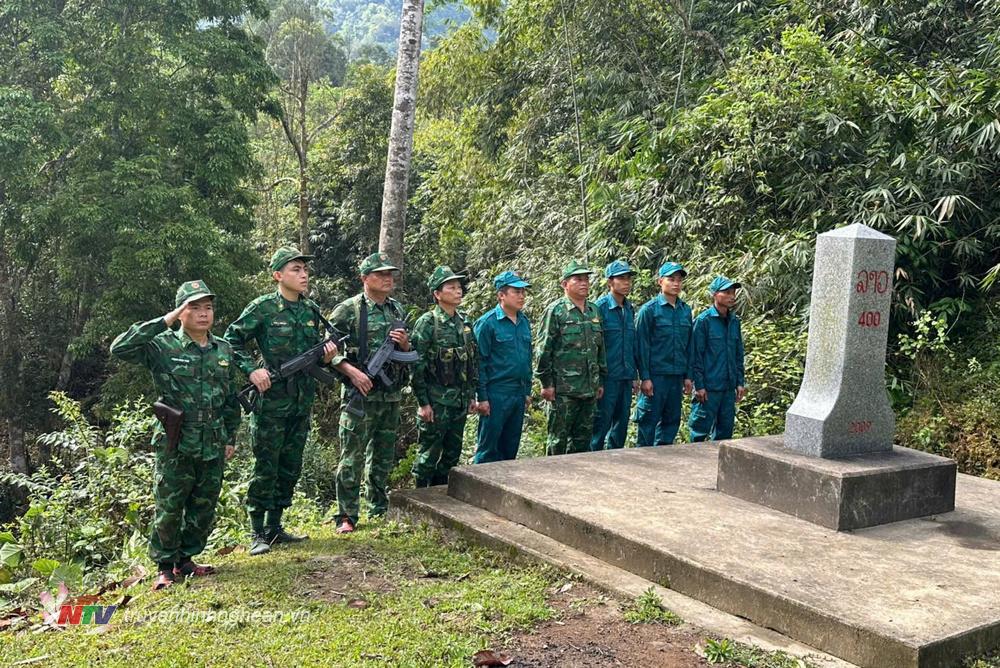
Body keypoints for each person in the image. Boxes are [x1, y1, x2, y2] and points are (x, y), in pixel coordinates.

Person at [110, 280, 240, 590]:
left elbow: (230, 397)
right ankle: (165, 566)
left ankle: (186, 559)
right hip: (176, 438)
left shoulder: (223, 349)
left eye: (208, 307)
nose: (203, 313)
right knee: (170, 505)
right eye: (194, 307)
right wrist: (165, 320)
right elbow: (120, 347)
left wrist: (230, 437)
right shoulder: (162, 346)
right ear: (181, 312)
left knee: (204, 504)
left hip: (213, 437)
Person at [224, 247, 338, 556]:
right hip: (271, 402)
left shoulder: (311, 310)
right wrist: (252, 370)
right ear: (278, 275)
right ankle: (257, 531)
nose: (304, 275)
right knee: (266, 466)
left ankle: (275, 527)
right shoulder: (263, 308)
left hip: (301, 401)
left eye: (305, 269)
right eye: (295, 269)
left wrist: (327, 356)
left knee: (290, 465)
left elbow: (317, 354)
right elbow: (231, 340)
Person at [328, 252, 411, 534]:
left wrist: (404, 344)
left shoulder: (396, 309)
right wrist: (352, 372)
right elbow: (326, 349)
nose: (388, 279)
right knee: (351, 457)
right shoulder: (348, 310)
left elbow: (408, 352)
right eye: (380, 274)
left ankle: (378, 507)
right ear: (364, 278)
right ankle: (346, 515)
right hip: (360, 395)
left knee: (383, 456)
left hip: (390, 395)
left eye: (390, 274)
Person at [410, 266, 478, 487]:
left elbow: (471, 361)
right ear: (437, 294)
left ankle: (440, 495)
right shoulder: (428, 323)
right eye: (451, 287)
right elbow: (416, 365)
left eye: (459, 287)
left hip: (459, 402)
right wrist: (423, 403)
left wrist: (471, 396)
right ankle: (420, 497)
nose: (458, 291)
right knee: (428, 455)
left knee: (451, 455)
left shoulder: (465, 322)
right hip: (436, 402)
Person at [535, 259, 606, 456]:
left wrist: (600, 380)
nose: (584, 283)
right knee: (557, 441)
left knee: (583, 442)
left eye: (586, 279)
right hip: (563, 391)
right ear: (565, 284)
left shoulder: (593, 310)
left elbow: (600, 349)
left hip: (589, 389)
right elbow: (543, 349)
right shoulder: (556, 311)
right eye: (578, 279)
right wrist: (546, 383)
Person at [473, 271, 533, 463]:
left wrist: (527, 391)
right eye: (516, 291)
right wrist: (482, 397)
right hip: (496, 393)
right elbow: (478, 363)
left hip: (518, 392)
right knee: (488, 448)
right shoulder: (487, 323)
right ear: (501, 295)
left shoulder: (524, 322)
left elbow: (527, 359)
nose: (521, 296)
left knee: (510, 447)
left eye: (523, 292)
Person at [634, 262, 694, 446]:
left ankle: (664, 459)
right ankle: (642, 459)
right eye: (671, 279)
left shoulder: (685, 310)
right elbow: (641, 346)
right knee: (648, 422)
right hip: (656, 376)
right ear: (660, 281)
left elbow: (689, 345)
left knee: (671, 422)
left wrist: (688, 376)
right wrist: (645, 377)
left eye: (679, 280)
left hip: (676, 377)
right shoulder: (649, 310)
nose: (676, 283)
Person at [688, 276, 746, 442]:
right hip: (709, 388)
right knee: (699, 432)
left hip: (728, 388)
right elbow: (696, 356)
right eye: (726, 292)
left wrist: (740, 382)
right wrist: (699, 385)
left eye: (733, 292)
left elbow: (738, 355)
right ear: (714, 294)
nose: (731, 296)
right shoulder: (703, 321)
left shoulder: (734, 322)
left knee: (725, 434)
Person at [590, 260, 639, 450]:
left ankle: (616, 460)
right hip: (607, 377)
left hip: (625, 376)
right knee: (600, 424)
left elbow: (631, 344)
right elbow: (594, 347)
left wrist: (634, 376)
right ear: (610, 282)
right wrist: (597, 380)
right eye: (621, 278)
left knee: (621, 424)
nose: (626, 282)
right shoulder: (599, 308)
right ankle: (594, 460)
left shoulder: (629, 309)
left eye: (628, 278)